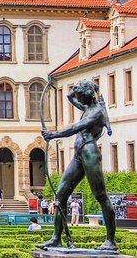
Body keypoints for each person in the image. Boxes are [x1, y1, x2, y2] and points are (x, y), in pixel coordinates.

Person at [38, 80, 117, 251]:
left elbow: (76, 127)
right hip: (79, 153)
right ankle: (56, 238)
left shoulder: (96, 113)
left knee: (101, 196)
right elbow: (68, 95)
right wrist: (76, 88)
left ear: (88, 95)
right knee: (59, 195)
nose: (78, 100)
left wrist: (53, 134)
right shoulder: (88, 107)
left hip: (89, 153)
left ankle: (110, 241)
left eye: (81, 96)